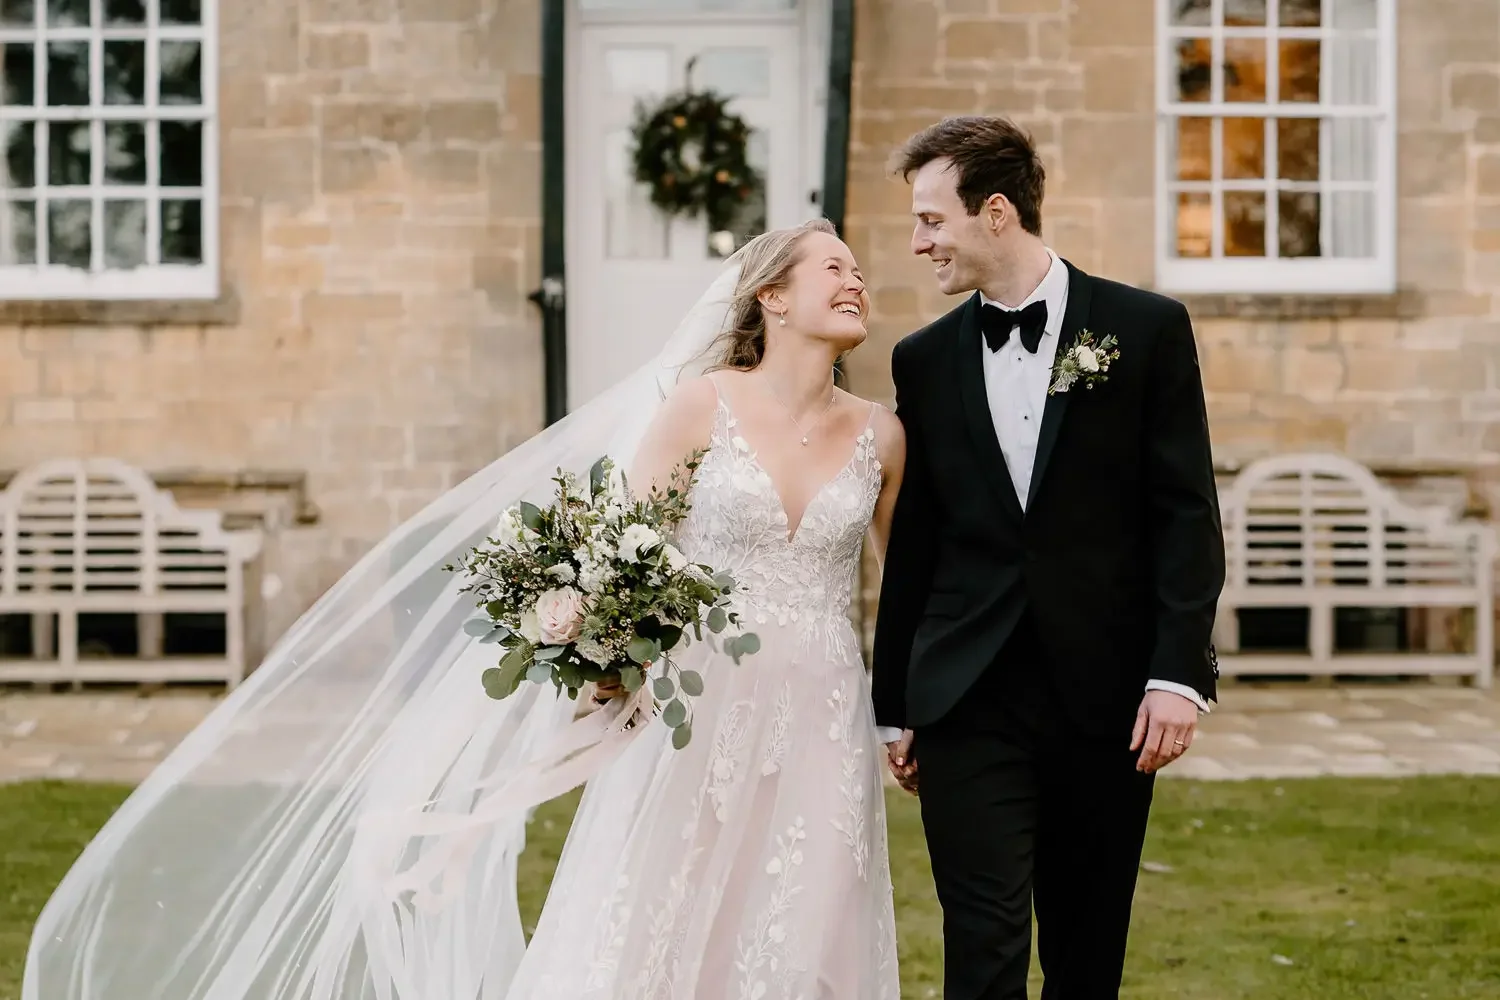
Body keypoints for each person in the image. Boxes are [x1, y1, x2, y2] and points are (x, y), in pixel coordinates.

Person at [22, 219, 907, 1000]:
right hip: (698, 713)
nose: (856, 278)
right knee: (661, 913)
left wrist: (907, 719)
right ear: (772, 299)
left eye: (857, 268)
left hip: (823, 715)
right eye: (833, 266)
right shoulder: (700, 407)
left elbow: (907, 593)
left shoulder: (881, 435)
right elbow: (616, 553)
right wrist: (605, 656)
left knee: (806, 918)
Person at [871, 116, 1225, 1000]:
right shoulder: (922, 360)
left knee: (1086, 951)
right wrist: (896, 707)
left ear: (996, 213)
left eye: (930, 220)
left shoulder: (1145, 328)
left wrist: (1177, 676)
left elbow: (1185, 515)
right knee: (981, 952)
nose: (918, 244)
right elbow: (915, 542)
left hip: (1106, 702)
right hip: (965, 701)